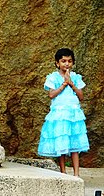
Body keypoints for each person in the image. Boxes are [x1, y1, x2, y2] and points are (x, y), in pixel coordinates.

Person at [38, 48, 90, 176]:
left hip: (73, 114)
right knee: (61, 143)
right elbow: (51, 95)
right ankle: (63, 172)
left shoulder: (76, 77)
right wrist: (63, 84)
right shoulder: (53, 77)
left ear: (73, 63)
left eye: (69, 61)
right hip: (59, 115)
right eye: (63, 61)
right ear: (57, 63)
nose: (66, 64)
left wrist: (72, 84)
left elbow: (81, 96)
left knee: (74, 145)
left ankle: (76, 174)